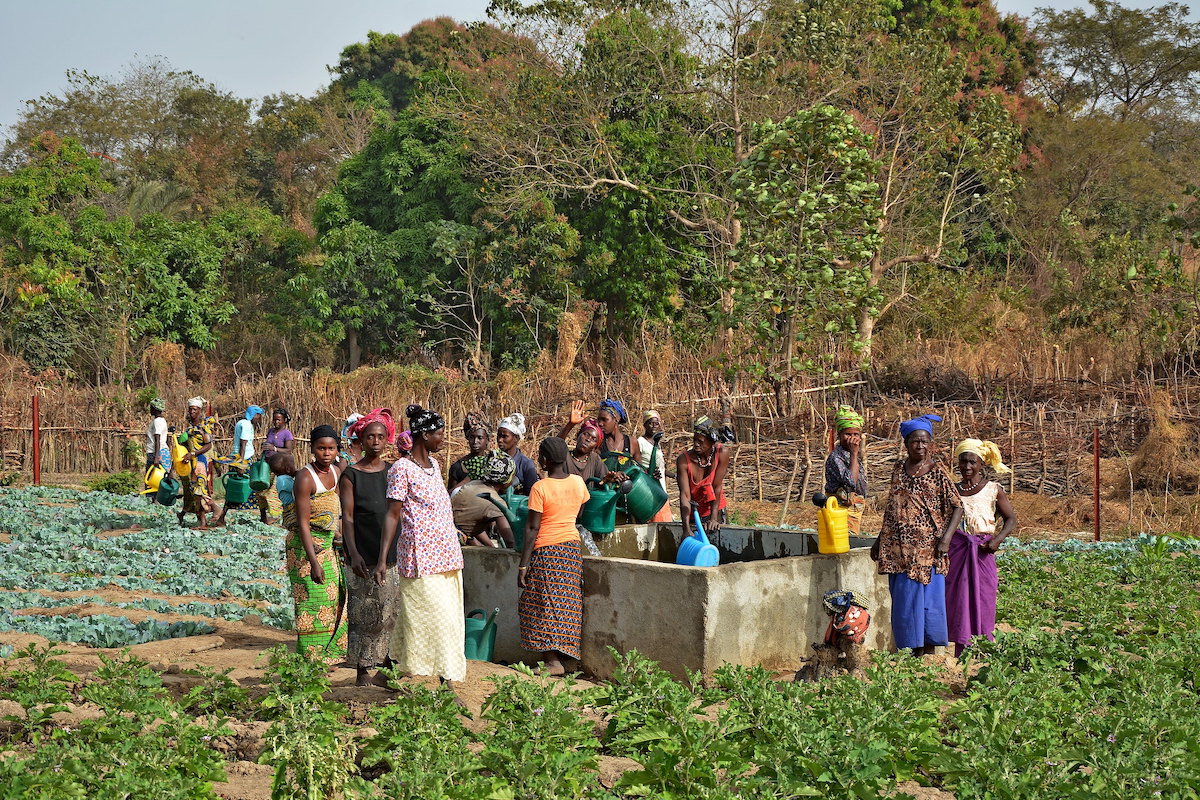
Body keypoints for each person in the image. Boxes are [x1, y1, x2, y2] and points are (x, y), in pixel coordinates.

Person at [376, 405, 466, 688]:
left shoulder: (434, 467)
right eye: (439, 434)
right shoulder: (401, 469)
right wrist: (382, 559)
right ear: (424, 435)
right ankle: (447, 684)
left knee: (426, 618)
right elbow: (392, 515)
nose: (442, 439)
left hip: (447, 556)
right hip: (420, 559)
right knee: (438, 619)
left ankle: (385, 673)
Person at [871, 414, 964, 656]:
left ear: (930, 443)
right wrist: (880, 540)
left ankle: (929, 648)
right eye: (915, 441)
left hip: (928, 550)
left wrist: (945, 540)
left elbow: (957, 506)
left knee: (928, 601)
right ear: (906, 444)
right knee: (903, 600)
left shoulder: (937, 471)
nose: (920, 446)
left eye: (924, 441)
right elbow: (892, 507)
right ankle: (909, 649)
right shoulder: (898, 469)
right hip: (899, 549)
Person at [518, 436, 590, 676]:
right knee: (566, 603)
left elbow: (531, 528)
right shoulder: (579, 483)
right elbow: (580, 513)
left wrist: (523, 565)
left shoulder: (540, 488)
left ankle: (552, 661)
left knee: (539, 603)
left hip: (547, 550)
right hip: (570, 549)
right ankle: (564, 656)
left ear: (545, 461)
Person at [339, 411, 399, 686]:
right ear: (360, 441)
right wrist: (353, 553)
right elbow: (348, 517)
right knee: (362, 611)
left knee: (389, 612)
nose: (375, 441)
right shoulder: (351, 474)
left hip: (390, 552)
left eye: (380, 437)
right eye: (369, 437)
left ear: (388, 440)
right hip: (361, 552)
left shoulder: (393, 471)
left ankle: (386, 670)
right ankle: (362, 670)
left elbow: (397, 512)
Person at [947, 438, 1018, 657]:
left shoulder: (992, 489)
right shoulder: (952, 490)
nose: (967, 467)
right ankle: (962, 646)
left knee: (985, 596)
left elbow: (1011, 519)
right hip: (958, 550)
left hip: (983, 549)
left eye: (972, 462)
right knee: (958, 598)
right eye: (963, 462)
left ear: (981, 464)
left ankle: (984, 644)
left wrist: (997, 540)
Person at [286, 425, 348, 664]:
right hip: (305, 548)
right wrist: (313, 562)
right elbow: (302, 523)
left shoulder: (337, 473)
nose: (326, 453)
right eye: (321, 448)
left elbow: (339, 511)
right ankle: (310, 659)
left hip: (328, 545)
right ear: (312, 449)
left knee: (331, 599)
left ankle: (326, 658)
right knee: (311, 601)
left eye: (331, 448)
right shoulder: (305, 477)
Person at [214, 405, 268, 526]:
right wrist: (241, 465)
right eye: (259, 416)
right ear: (255, 415)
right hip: (244, 460)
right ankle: (263, 517)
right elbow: (243, 445)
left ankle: (222, 518)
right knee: (256, 487)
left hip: (238, 459)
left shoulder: (241, 423)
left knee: (234, 489)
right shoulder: (247, 425)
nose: (259, 419)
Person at [677, 416, 732, 536]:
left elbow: (716, 487)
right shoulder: (684, 460)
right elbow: (685, 495)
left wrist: (713, 518)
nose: (696, 445)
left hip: (715, 509)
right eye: (694, 440)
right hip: (694, 512)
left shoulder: (722, 453)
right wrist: (686, 528)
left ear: (712, 442)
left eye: (700, 442)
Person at [451, 449, 517, 548]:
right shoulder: (495, 502)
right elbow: (510, 541)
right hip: (452, 543)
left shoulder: (474, 483)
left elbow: (470, 524)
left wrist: (489, 546)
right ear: (505, 479)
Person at [825, 405, 868, 534]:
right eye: (848, 434)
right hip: (840, 511)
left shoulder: (849, 454)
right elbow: (851, 484)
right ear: (840, 435)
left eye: (856, 434)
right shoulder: (836, 457)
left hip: (854, 511)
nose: (852, 438)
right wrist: (855, 454)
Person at [178, 397, 217, 529]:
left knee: (200, 491)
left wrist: (193, 453)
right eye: (190, 409)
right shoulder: (190, 429)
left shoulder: (203, 428)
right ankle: (203, 522)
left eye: (194, 409)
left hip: (200, 463)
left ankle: (217, 511)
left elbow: (208, 445)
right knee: (196, 493)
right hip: (192, 463)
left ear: (200, 410)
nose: (192, 412)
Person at [636, 410, 673, 523]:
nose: (653, 426)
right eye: (650, 423)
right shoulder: (640, 442)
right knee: (656, 517)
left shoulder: (657, 443)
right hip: (649, 484)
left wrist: (674, 474)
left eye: (656, 423)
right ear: (645, 425)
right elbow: (638, 464)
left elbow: (660, 467)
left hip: (660, 484)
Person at [497, 412, 539, 495]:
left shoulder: (526, 464)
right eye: (498, 436)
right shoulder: (492, 460)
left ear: (516, 438)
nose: (500, 440)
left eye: (504, 436)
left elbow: (531, 495)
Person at [448, 412, 491, 492]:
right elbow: (450, 495)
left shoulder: (493, 464)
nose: (475, 441)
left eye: (480, 438)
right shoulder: (457, 467)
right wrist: (467, 480)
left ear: (487, 440)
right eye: (472, 437)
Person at [144, 398, 169, 493]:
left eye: (151, 408)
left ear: (155, 409)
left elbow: (157, 439)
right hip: (162, 451)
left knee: (153, 478)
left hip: (155, 452)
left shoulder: (157, 422)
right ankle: (159, 499)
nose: (150, 410)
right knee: (161, 476)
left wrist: (156, 456)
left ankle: (154, 500)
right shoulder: (162, 421)